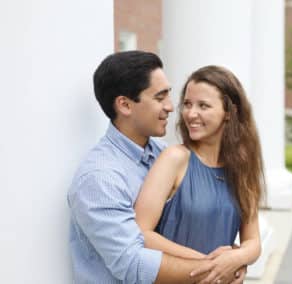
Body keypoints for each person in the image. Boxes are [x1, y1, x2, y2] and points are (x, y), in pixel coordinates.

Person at [67, 51, 243, 284]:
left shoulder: (166, 154)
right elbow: (133, 264)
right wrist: (217, 269)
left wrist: (234, 259)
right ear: (125, 105)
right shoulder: (100, 178)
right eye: (160, 98)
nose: (171, 107)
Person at [135, 65, 265, 284]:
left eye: (203, 105)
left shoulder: (241, 166)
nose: (190, 114)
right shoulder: (174, 158)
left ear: (228, 113)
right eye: (187, 104)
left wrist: (236, 259)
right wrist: (212, 265)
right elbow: (141, 232)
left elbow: (252, 241)